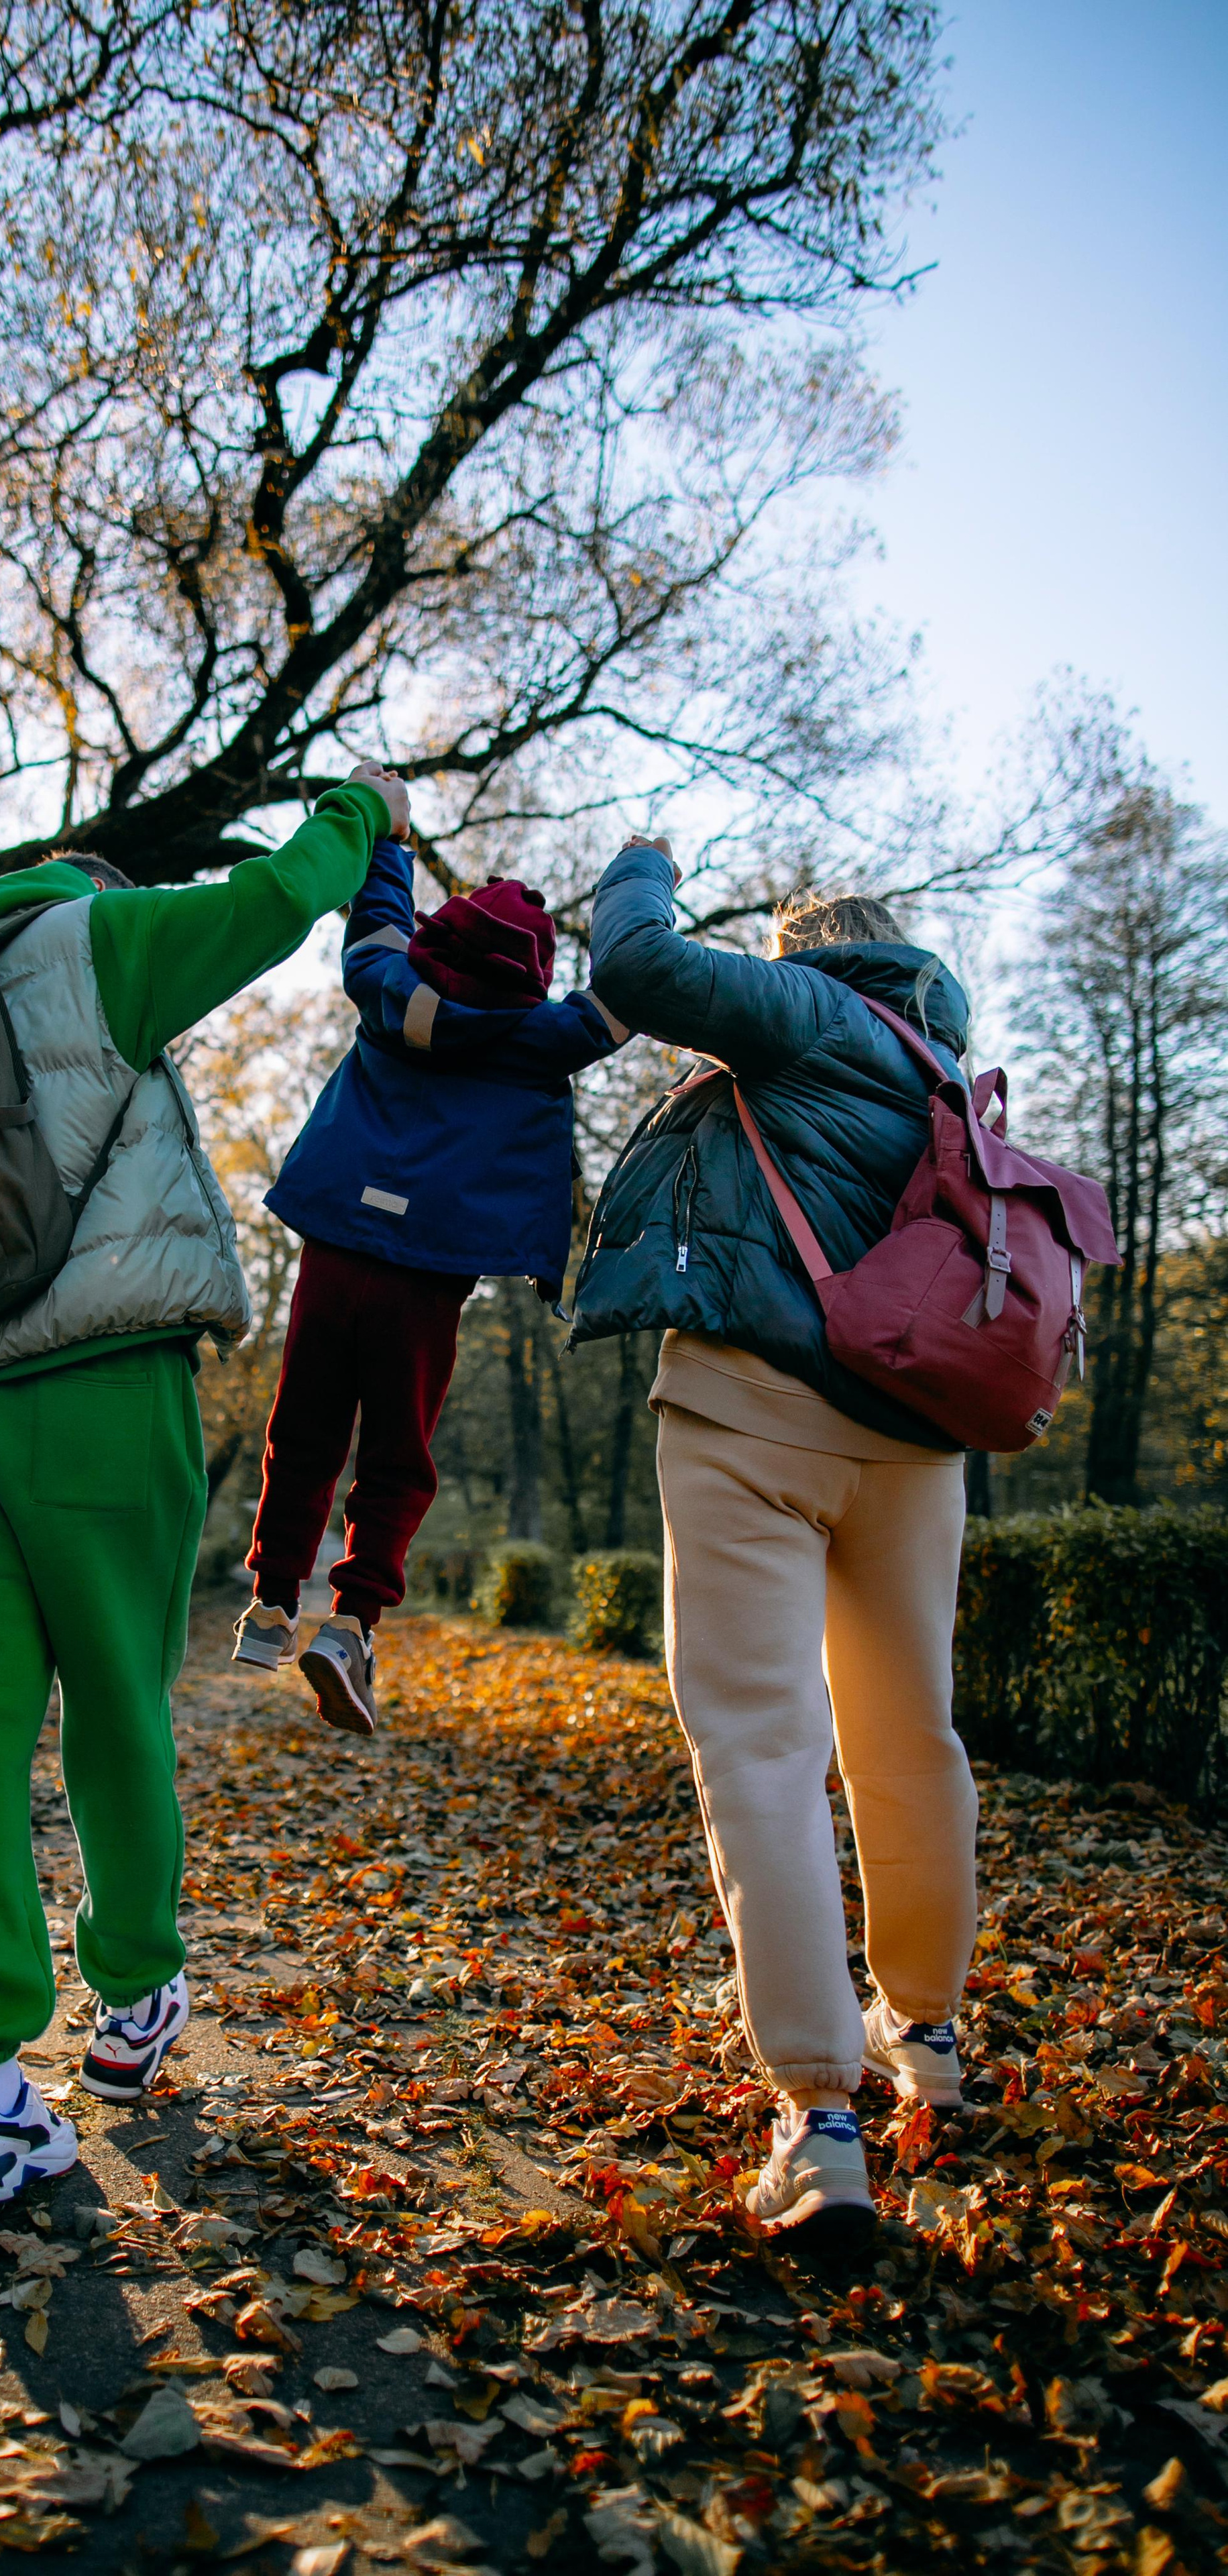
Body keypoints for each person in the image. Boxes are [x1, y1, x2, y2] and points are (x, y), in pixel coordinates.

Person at [0, 764, 405, 2205]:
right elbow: (275, 902)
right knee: (117, 1708)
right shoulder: (101, 941)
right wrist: (359, 816)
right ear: (96, 884)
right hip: (98, 1392)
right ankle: (134, 2010)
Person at [573, 836, 979, 2251]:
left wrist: (638, 866)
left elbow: (631, 964)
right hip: (917, 1446)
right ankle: (923, 2036)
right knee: (905, 1737)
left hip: (752, 1419)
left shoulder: (809, 1012)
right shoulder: (944, 1066)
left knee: (757, 1746)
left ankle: (817, 2116)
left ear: (809, 957)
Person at [233, 836, 626, 1730]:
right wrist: (633, 877)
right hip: (431, 1272)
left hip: (338, 1242)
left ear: (439, 936)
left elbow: (375, 925)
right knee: (398, 1453)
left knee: (302, 1431)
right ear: (535, 971)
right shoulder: (542, 1039)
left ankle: (269, 1608)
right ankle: (353, 1623)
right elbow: (625, 996)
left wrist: (393, 843)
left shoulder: (387, 995)